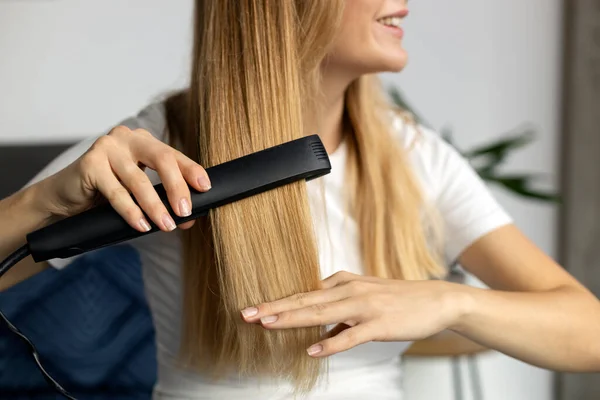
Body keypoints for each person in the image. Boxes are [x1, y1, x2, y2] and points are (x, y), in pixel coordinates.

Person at [1, 1, 599, 399]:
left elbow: (589, 332)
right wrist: (44, 202)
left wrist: (452, 304)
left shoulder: (415, 158)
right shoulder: (159, 147)